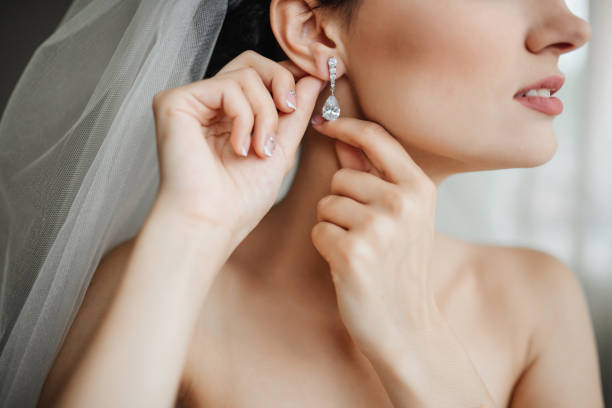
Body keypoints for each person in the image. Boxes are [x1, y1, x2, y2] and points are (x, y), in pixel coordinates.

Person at [37, 0, 604, 406]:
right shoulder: (162, 286)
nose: (573, 28)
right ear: (315, 30)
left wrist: (414, 335)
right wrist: (193, 224)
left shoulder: (538, 301)